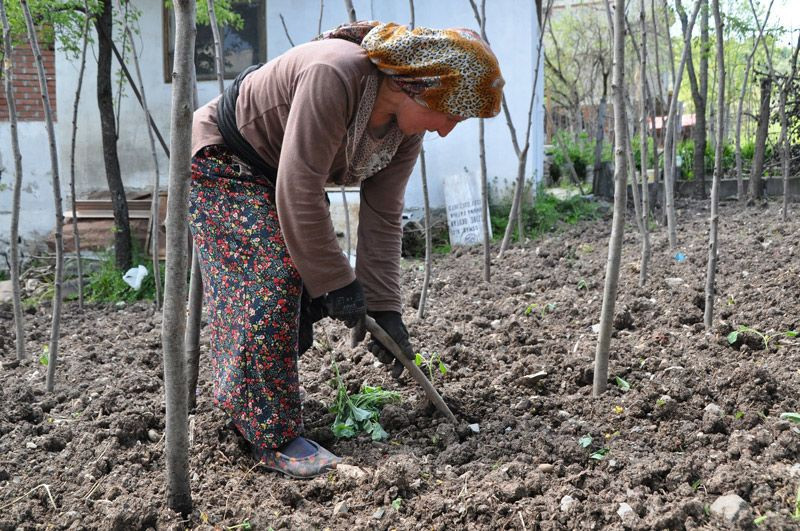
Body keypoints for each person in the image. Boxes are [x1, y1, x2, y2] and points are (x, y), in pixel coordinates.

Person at [189, 20, 503, 479]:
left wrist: (383, 308)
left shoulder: (407, 132)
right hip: (229, 160)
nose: (447, 131)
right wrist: (337, 284)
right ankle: (271, 436)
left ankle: (249, 396)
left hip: (282, 174)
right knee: (274, 281)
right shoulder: (334, 75)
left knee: (299, 299)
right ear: (422, 92)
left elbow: (383, 214)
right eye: (451, 116)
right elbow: (298, 188)